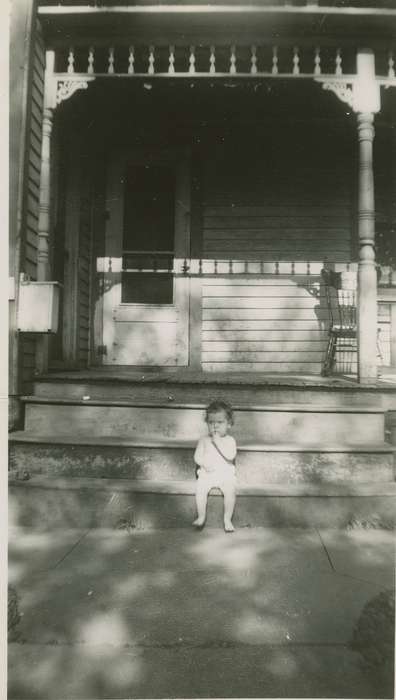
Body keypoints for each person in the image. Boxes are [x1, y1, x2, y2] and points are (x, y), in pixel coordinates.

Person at [192, 400, 237, 533]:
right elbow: (197, 457)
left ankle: (227, 518)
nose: (215, 426)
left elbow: (230, 456)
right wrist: (203, 463)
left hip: (225, 475)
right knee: (200, 489)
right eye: (211, 422)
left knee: (230, 491)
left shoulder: (230, 440)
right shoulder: (204, 440)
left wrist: (218, 442)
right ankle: (201, 516)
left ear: (229, 424)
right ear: (207, 423)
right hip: (207, 474)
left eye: (220, 422)